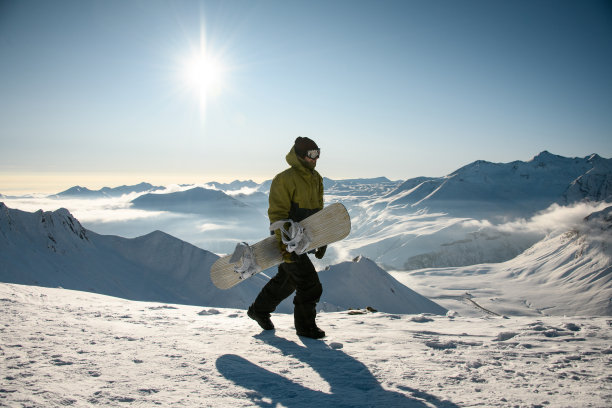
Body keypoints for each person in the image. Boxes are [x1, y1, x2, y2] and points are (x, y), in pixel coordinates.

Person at [247, 137, 327, 339]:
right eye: (311, 154)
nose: (315, 158)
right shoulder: (284, 179)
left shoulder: (316, 178)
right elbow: (278, 215)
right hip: (288, 241)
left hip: (305, 240)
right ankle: (305, 328)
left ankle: (259, 310)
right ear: (300, 156)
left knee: (288, 280)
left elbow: (318, 213)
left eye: (317, 153)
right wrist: (284, 246)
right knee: (310, 285)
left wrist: (321, 239)